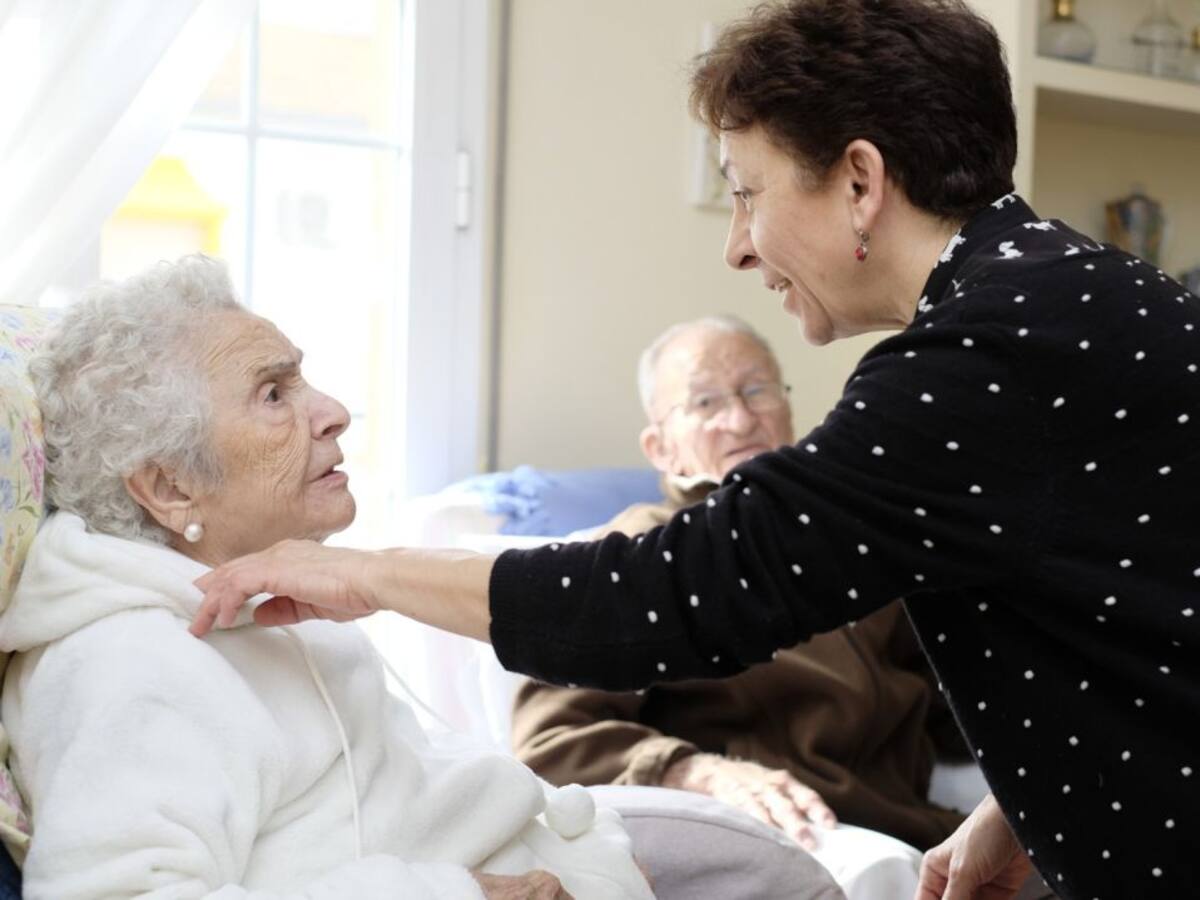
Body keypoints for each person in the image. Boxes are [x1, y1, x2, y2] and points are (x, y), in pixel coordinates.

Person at [187, 1, 1200, 897]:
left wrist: (360, 574)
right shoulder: (1089, 294)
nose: (737, 244)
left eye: (748, 192)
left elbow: (670, 597)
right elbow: (1130, 603)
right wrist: (1030, 802)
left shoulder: (976, 360)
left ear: (859, 181)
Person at [0, 256, 653, 900]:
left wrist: (601, 862)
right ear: (170, 488)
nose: (334, 411)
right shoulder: (129, 663)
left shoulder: (269, 607)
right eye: (273, 394)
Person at [512, 315, 968, 854]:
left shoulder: (855, 542)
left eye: (757, 391)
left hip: (919, 830)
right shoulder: (636, 552)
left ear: (789, 411)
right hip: (783, 833)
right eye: (705, 402)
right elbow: (552, 740)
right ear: (660, 448)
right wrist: (694, 772)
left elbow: (957, 707)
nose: (740, 419)